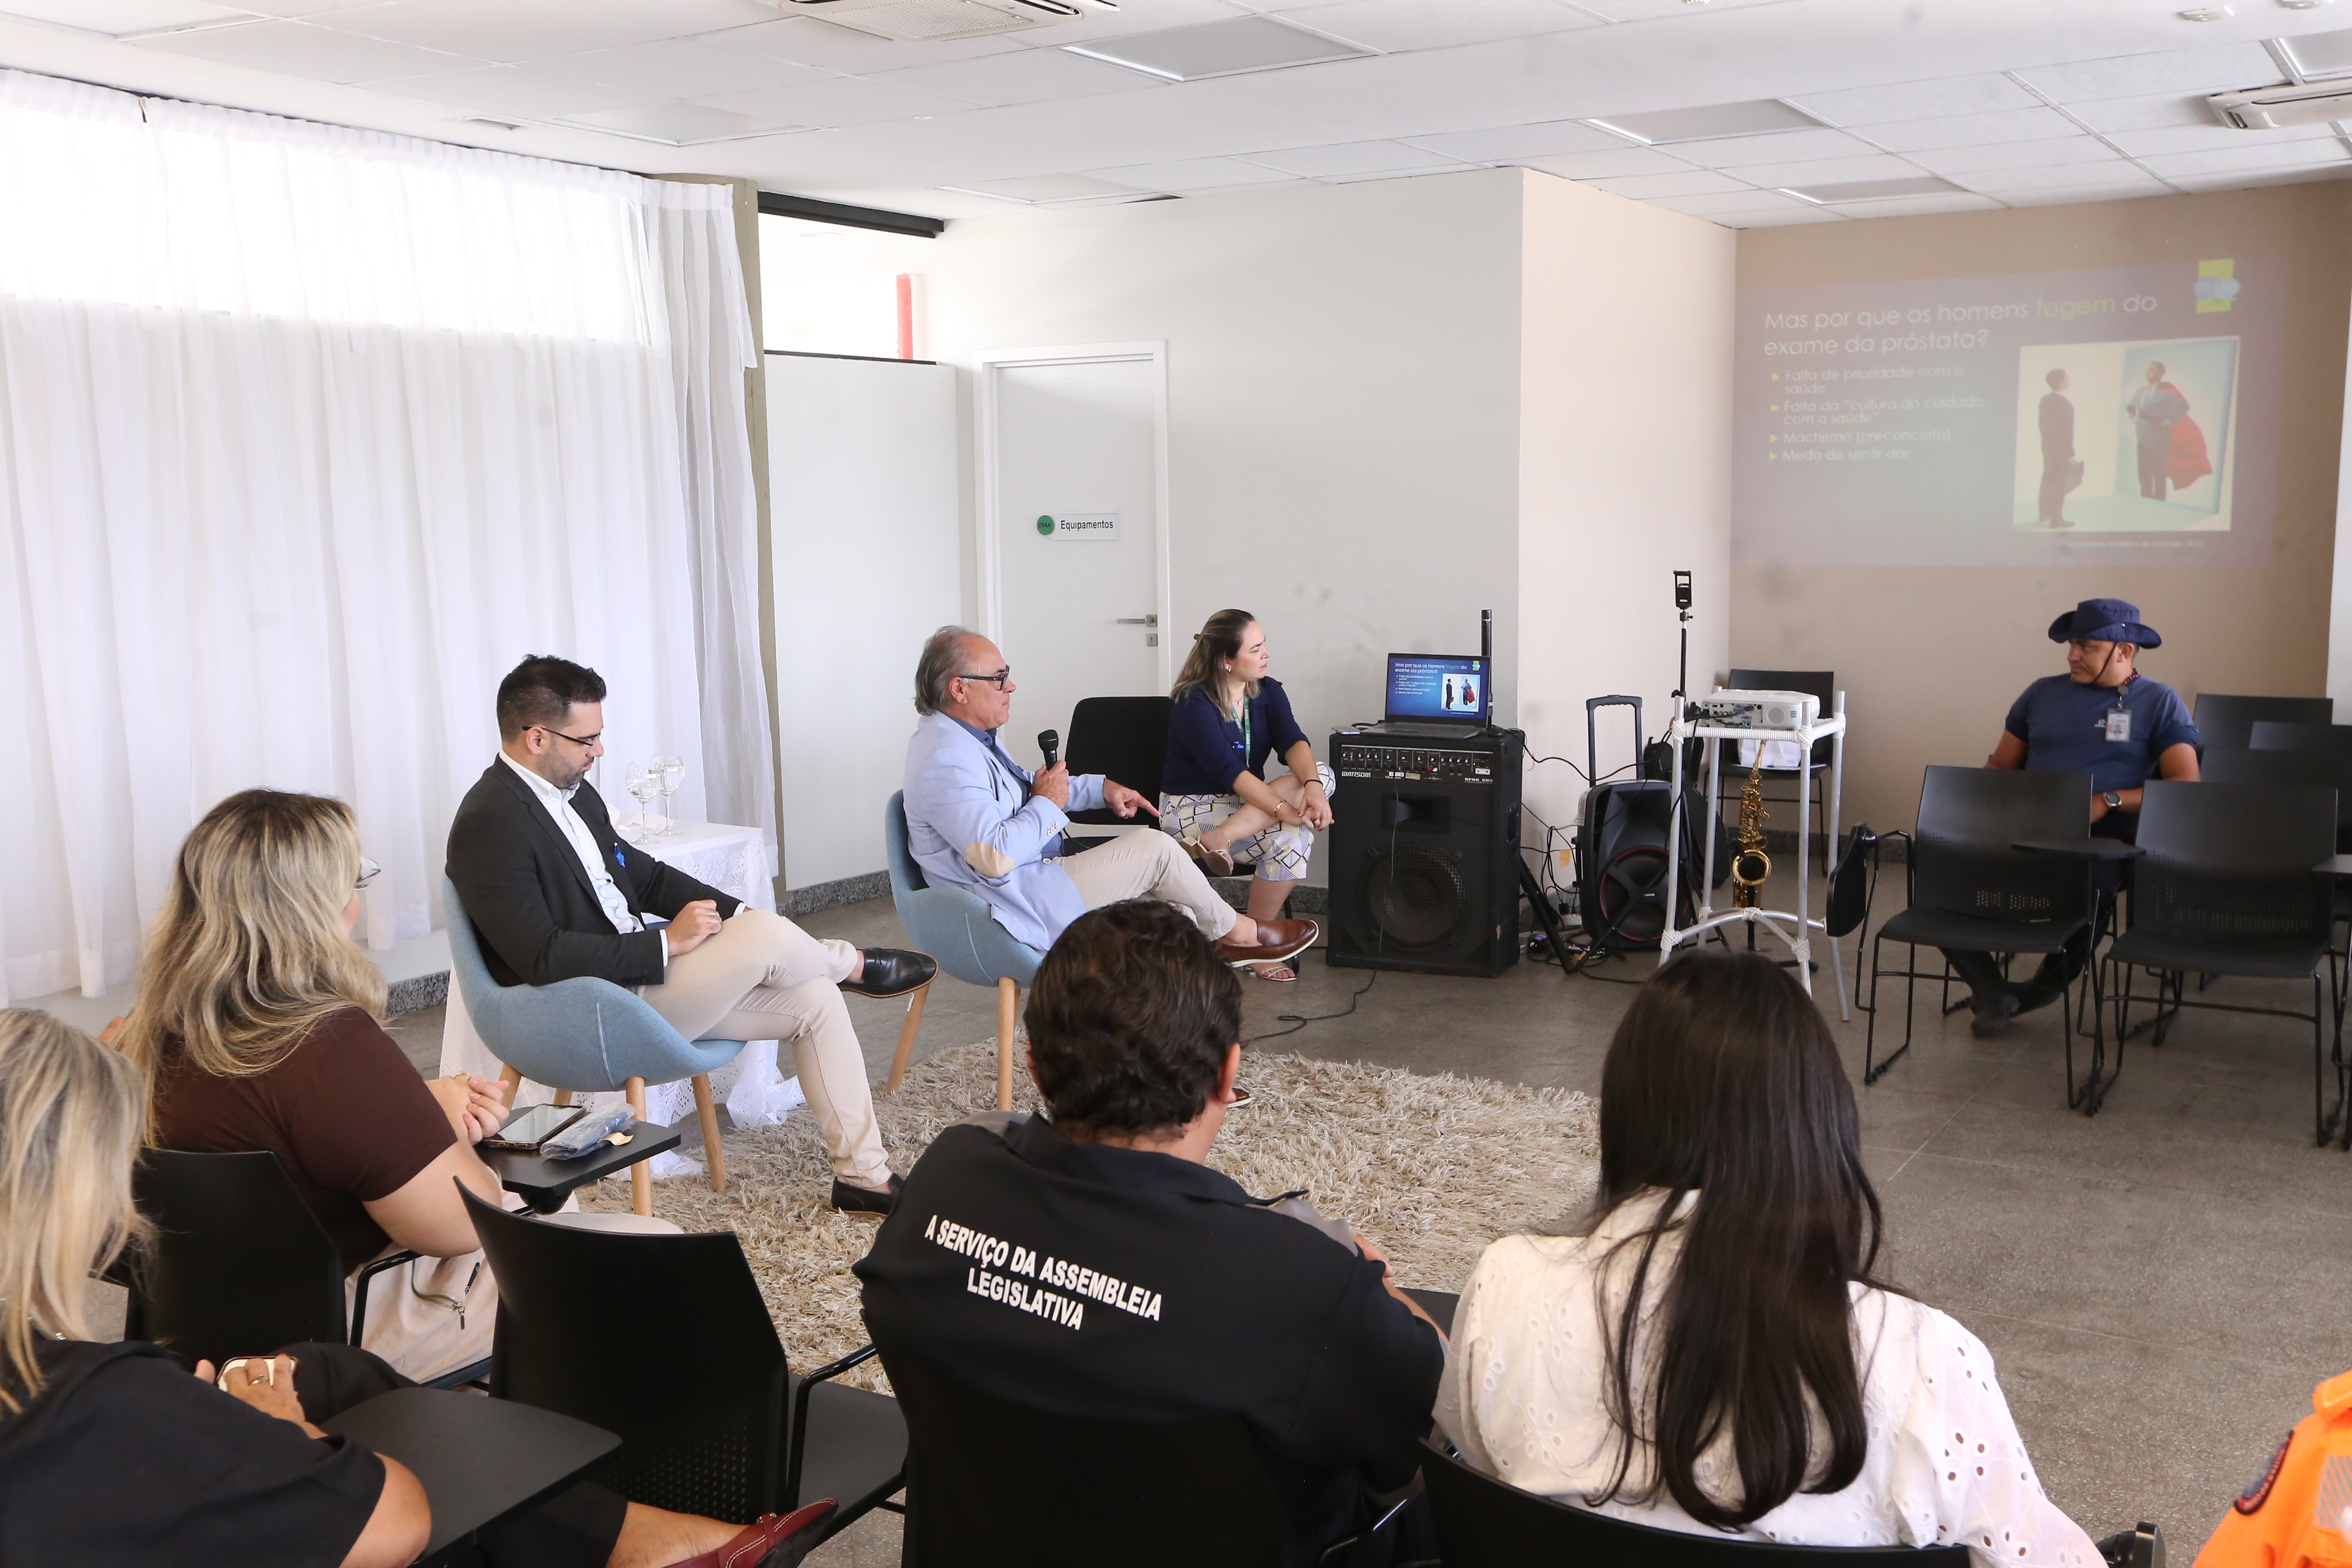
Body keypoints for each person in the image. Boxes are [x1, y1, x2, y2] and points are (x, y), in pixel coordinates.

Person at [0, 1008, 832, 1568]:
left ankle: (643, 1541)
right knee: (618, 1254)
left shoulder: (155, 1027)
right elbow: (394, 1522)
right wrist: (281, 1432)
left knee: (335, 1372)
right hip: (358, 1308)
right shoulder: (99, 1404)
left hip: (237, 1322)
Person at [1436, 951, 2106, 1567]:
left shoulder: (1506, 1284)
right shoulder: (1924, 1357)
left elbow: (1482, 1474)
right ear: (1818, 1128)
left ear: (1627, 1114)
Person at [854, 900, 1444, 1559]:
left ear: (1035, 1065)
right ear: (1228, 1072)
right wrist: (1375, 1287)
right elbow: (1451, 1422)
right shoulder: (1304, 1281)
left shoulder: (946, 1177)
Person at [115, 789, 672, 1384]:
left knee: (565, 1218)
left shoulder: (138, 1039)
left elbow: (304, 1129)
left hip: (197, 1324)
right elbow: (462, 1226)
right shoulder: (328, 1043)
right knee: (655, 1252)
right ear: (322, 906)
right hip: (331, 1333)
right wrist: (440, 1125)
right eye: (353, 880)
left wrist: (411, 1109)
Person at [447, 656, 934, 1215]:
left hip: (642, 984)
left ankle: (864, 1178)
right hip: (590, 1005)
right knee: (773, 942)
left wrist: (738, 917)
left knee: (815, 999)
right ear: (536, 738)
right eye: (587, 739)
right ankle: (852, 965)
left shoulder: (575, 793)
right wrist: (665, 945)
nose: (599, 750)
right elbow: (539, 956)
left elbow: (645, 877)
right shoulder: (490, 821)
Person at [899, 626, 1317, 970]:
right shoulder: (946, 758)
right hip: (1006, 904)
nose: (1011, 686)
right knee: (1155, 848)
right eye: (998, 678)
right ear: (959, 689)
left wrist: (1100, 789)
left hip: (1031, 881)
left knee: (1182, 912)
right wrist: (1047, 802)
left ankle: (1154, 1029)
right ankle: (1242, 935)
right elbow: (994, 857)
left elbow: (1029, 788)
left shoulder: (969, 740)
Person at [1942, 598, 2200, 1035]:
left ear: (2124, 651)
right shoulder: (2042, 694)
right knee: (1940, 869)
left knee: (2091, 890)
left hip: (2105, 837)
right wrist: (1974, 813)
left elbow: (2184, 784)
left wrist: (2107, 801)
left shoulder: (2160, 702)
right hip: (2030, 826)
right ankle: (1990, 988)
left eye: (2087, 647)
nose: (2072, 656)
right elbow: (2003, 764)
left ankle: (2044, 988)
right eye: (2071, 645)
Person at [1159, 609, 1335, 981]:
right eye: (1255, 649)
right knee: (1296, 834)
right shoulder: (1193, 702)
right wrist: (1285, 810)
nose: (1266, 654)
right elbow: (1231, 772)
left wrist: (1314, 790)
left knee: (1321, 774)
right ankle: (1255, 943)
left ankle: (1224, 848)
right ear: (1226, 660)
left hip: (1245, 809)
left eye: (1263, 645)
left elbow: (1293, 741)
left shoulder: (1268, 691)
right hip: (1190, 809)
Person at [2126, 360, 2188, 500]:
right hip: (2142, 437)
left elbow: (2183, 405)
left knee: (2158, 472)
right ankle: (2145, 501)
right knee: (2143, 472)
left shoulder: (2166, 391)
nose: (2148, 373)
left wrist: (2169, 421)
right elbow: (2131, 407)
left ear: (2161, 373)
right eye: (2147, 370)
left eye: (2152, 370)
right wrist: (2134, 419)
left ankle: (2160, 502)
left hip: (2159, 437)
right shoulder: (2141, 391)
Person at [2039, 368, 2077, 529]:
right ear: (2061, 382)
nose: (2069, 379)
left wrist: (2047, 445)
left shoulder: (2045, 400)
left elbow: (2042, 426)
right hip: (2061, 451)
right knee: (2059, 484)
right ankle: (2056, 520)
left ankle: (2044, 514)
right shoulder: (2064, 404)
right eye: (2067, 377)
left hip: (2048, 448)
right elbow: (2066, 432)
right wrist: (2071, 455)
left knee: (2047, 480)